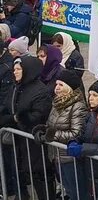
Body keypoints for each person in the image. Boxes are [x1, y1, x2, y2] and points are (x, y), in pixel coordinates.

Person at [0, 56, 54, 199]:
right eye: (14, 69)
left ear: (28, 70)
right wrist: (12, 119)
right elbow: (7, 110)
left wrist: (20, 118)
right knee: (20, 176)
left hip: (34, 144)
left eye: (18, 69)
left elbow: (38, 115)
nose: (15, 72)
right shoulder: (16, 87)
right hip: (17, 142)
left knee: (40, 180)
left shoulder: (40, 91)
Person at [32, 69, 87, 200]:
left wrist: (51, 135)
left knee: (77, 193)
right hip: (56, 156)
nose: (56, 88)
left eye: (61, 85)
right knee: (68, 190)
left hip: (70, 158)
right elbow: (51, 125)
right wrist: (42, 130)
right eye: (56, 84)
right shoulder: (57, 103)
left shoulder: (78, 106)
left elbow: (76, 133)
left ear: (69, 88)